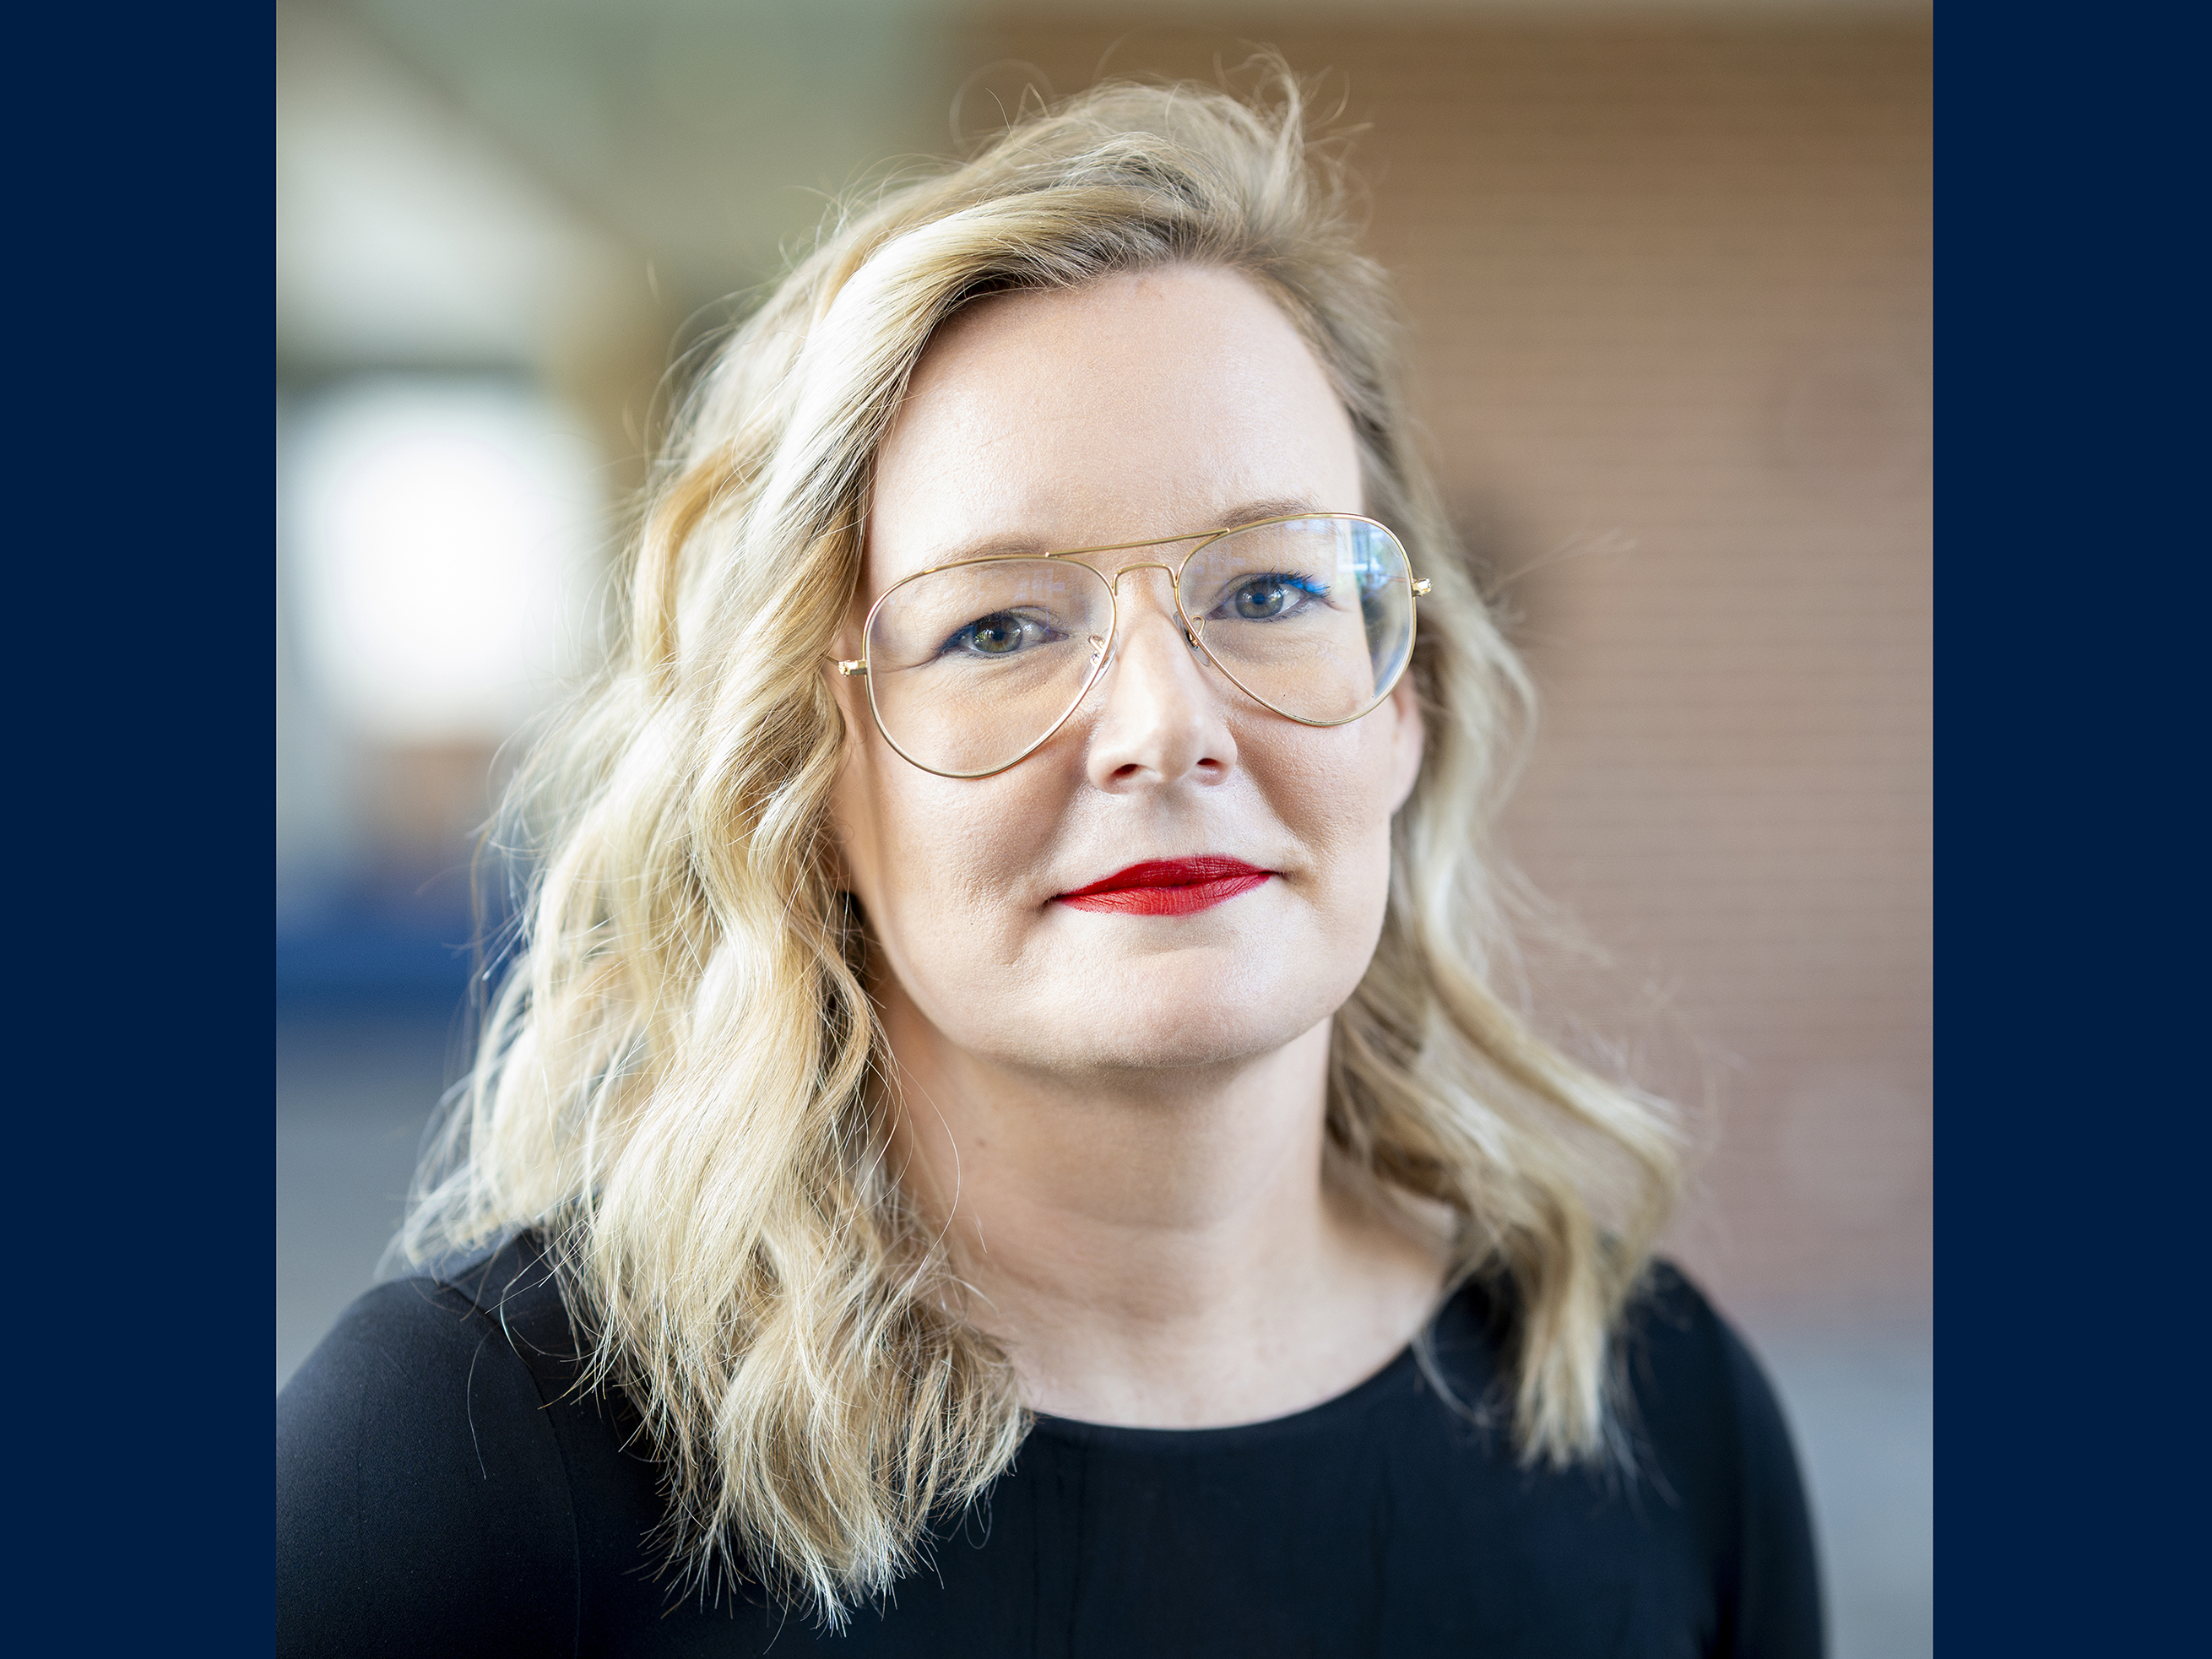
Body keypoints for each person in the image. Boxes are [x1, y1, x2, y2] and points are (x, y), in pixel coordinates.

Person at [277, 70, 1822, 1656]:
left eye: (1271, 592)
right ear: (807, 779)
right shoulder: (469, 1466)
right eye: (1000, 624)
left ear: (1401, 702)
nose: (1167, 726)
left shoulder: (1661, 1420)